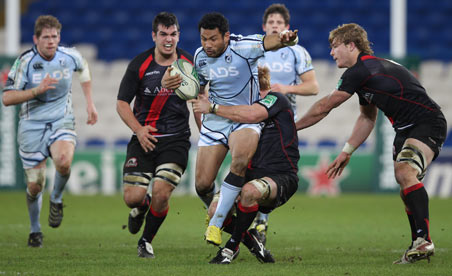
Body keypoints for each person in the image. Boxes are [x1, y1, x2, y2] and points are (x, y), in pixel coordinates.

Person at [295, 23, 447, 264]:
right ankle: (417, 244)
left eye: (335, 47)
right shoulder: (366, 76)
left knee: (404, 172)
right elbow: (367, 117)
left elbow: (325, 106)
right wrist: (347, 151)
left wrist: (291, 128)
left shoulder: (361, 70)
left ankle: (424, 240)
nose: (331, 53)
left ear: (351, 45)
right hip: (405, 129)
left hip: (427, 123)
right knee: (404, 183)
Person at [192, 12, 298, 246]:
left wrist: (284, 38)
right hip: (214, 122)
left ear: (226, 37)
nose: (207, 45)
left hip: (245, 119)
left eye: (213, 39)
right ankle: (238, 228)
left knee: (239, 161)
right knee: (202, 184)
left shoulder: (243, 46)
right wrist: (201, 125)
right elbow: (196, 93)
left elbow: (268, 42)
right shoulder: (199, 57)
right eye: (203, 39)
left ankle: (216, 224)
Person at [2, 15, 98, 248]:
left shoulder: (69, 56)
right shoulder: (25, 62)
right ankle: (35, 230)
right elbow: (7, 98)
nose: (51, 41)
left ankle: (56, 199)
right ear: (36, 39)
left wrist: (89, 103)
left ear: (59, 37)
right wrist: (36, 91)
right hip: (31, 126)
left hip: (60, 121)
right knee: (35, 185)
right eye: (46, 37)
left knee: (64, 161)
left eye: (54, 36)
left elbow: (84, 68)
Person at [116, 12, 196, 259]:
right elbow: (121, 103)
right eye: (163, 34)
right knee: (132, 198)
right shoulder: (139, 65)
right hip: (144, 138)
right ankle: (142, 207)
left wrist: (207, 132)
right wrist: (138, 130)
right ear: (154, 35)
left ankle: (145, 241)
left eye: (173, 34)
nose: (168, 39)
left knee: (162, 192)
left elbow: (198, 99)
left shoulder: (189, 63)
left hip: (176, 139)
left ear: (178, 35)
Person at [253, 3, 319, 244]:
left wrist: (284, 89)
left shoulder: (297, 52)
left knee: (274, 171)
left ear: (287, 28)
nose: (274, 26)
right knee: (251, 167)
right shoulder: (255, 49)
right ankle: (249, 216)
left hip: (282, 122)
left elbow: (313, 87)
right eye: (270, 23)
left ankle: (261, 218)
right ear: (264, 27)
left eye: (279, 23)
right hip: (255, 116)